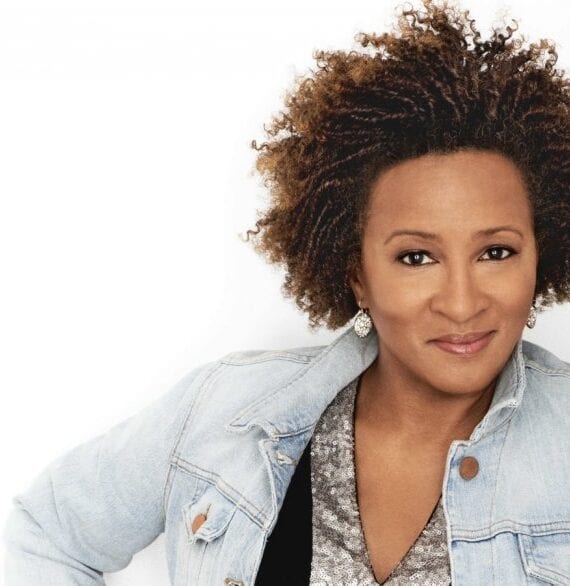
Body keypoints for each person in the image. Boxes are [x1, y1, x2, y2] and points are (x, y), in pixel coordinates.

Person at [4, 0, 570, 584]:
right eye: (416, 258)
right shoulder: (225, 414)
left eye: (496, 252)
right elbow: (46, 535)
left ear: (541, 253)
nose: (461, 302)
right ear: (357, 275)